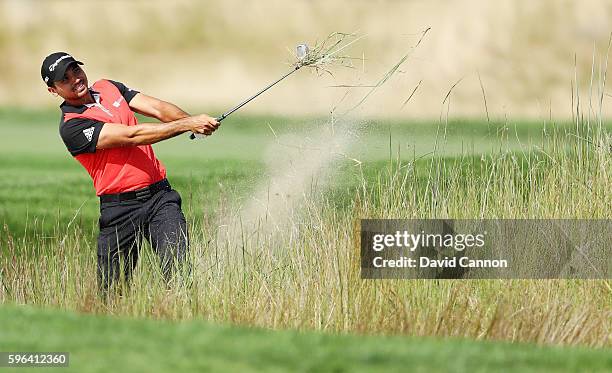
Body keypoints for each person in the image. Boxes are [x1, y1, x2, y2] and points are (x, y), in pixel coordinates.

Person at [41, 52, 219, 295]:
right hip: (119, 211)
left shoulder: (108, 87)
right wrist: (187, 125)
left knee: (179, 275)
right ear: (53, 90)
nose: (76, 79)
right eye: (65, 79)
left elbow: (157, 108)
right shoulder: (72, 125)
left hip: (160, 198)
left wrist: (195, 122)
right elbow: (131, 136)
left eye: (76, 71)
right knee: (113, 295)